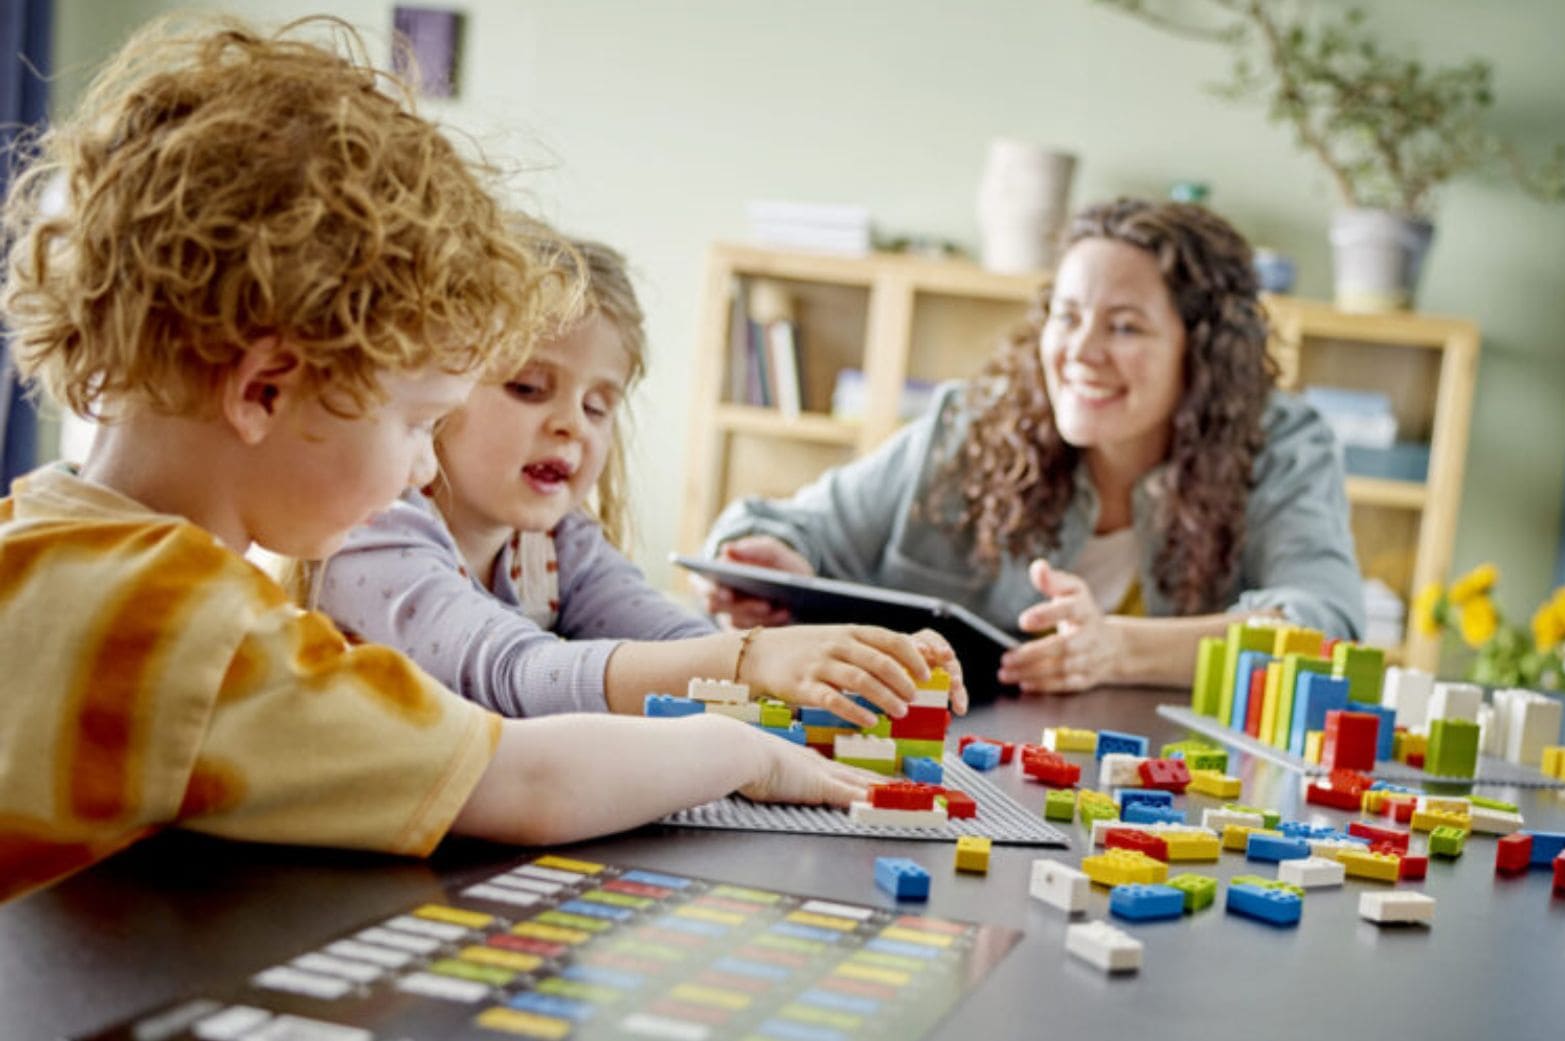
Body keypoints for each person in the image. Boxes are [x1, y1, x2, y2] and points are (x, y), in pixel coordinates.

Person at [0, 16, 872, 904]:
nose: (424, 467)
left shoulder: (29, 534)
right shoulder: (192, 627)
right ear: (266, 388)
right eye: (417, 422)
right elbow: (523, 781)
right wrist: (743, 748)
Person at [704, 198, 1364, 694]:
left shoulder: (1281, 446)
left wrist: (1119, 648)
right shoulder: (976, 424)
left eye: (1125, 326)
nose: (1080, 350)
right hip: (947, 766)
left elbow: (1323, 627)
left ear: (1205, 353)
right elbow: (778, 528)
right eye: (1068, 316)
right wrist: (772, 563)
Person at [316, 232, 965, 728]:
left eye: (599, 405)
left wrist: (841, 673)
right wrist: (754, 658)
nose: (572, 425)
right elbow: (515, 673)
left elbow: (675, 641)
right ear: (442, 387)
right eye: (529, 388)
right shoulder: (374, 528)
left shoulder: (556, 544)